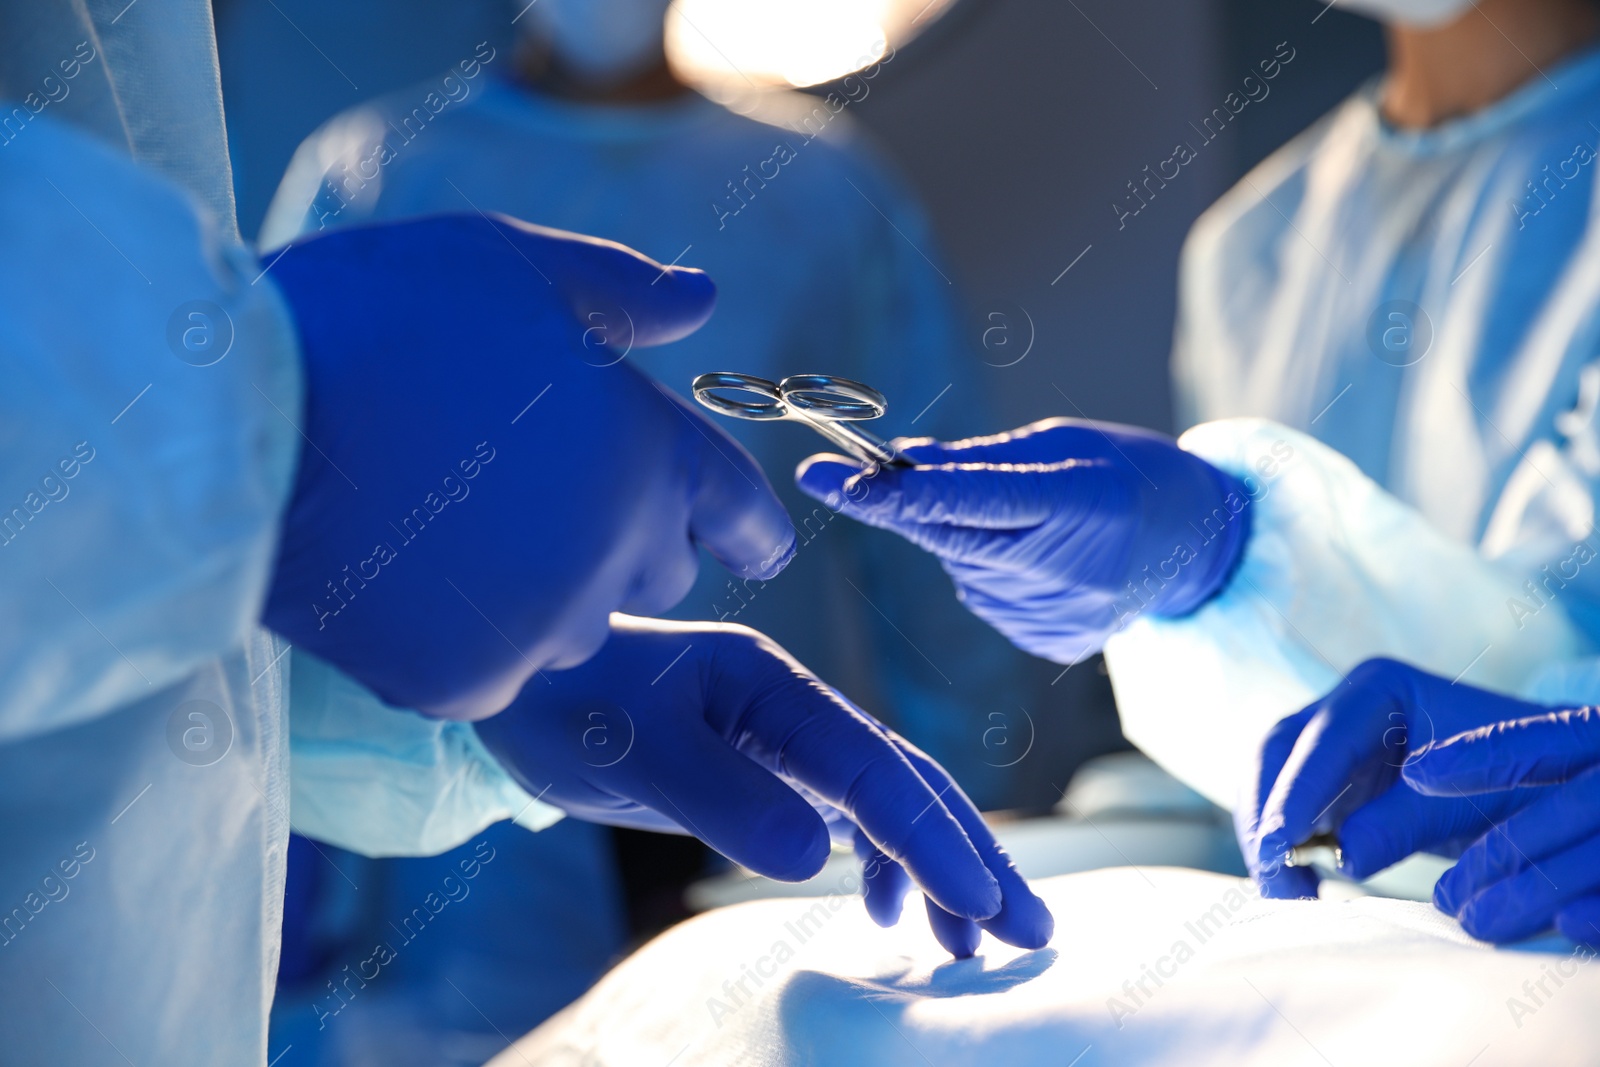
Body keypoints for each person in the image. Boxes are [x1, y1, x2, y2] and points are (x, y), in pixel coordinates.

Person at [0, 4, 1048, 1064]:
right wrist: (265, 412)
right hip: (453, 911)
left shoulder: (825, 182)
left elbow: (923, 490)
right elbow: (254, 532)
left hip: (706, 780)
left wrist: (474, 730)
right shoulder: (372, 162)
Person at [797, 0, 1600, 943]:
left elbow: (1548, 655)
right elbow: (1264, 779)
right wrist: (1114, 795)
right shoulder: (1254, 240)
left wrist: (1230, 553)